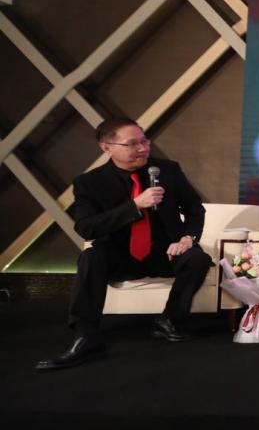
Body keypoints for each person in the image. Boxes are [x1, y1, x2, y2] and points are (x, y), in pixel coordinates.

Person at [35, 118, 213, 371]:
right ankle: (86, 336)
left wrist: (187, 239)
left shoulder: (167, 170)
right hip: (120, 256)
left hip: (165, 253)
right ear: (107, 147)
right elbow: (86, 227)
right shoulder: (90, 183)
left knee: (197, 259)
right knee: (91, 257)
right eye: (132, 144)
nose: (142, 148)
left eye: (144, 141)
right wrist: (135, 206)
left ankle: (169, 320)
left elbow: (195, 209)